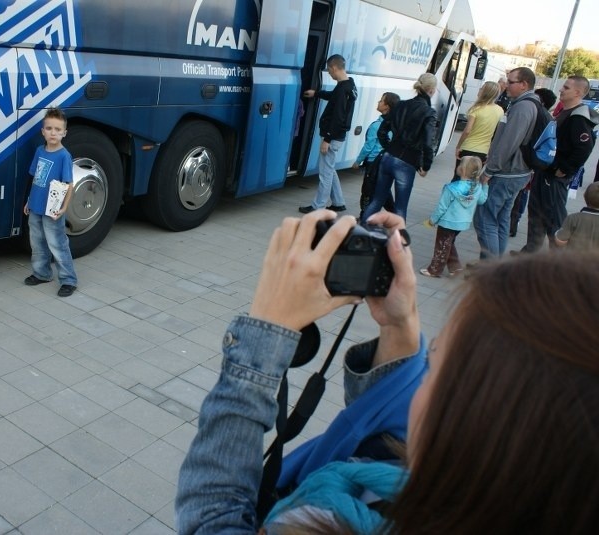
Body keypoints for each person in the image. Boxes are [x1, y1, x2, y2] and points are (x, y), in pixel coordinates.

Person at [175, 210, 599, 534]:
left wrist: (262, 342)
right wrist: (399, 322)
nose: (422, 377)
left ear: (477, 426)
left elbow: (213, 517)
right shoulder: (495, 496)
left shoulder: (331, 522)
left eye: (435, 365)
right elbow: (393, 432)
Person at [519, 76, 598, 253]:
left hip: (554, 177)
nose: (561, 90)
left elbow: (584, 148)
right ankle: (530, 253)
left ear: (578, 92)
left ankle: (558, 260)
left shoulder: (578, 118)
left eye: (566, 87)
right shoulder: (566, 112)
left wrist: (565, 169)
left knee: (553, 218)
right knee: (536, 214)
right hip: (545, 172)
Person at [472, 67, 538, 260]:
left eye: (510, 82)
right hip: (515, 173)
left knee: (485, 220)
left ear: (524, 84)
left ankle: (489, 270)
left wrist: (489, 170)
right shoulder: (527, 104)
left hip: (506, 174)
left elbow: (509, 143)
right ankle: (496, 267)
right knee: (500, 220)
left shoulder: (523, 107)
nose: (506, 85)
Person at [361, 73, 438, 222]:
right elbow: (429, 143)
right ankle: (397, 241)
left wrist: (389, 147)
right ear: (432, 90)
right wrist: (426, 165)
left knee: (376, 201)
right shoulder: (429, 112)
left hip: (388, 158)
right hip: (407, 162)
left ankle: (360, 233)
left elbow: (382, 130)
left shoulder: (401, 105)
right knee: (400, 208)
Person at [22, 107, 78, 297]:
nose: (53, 133)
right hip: (36, 206)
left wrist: (64, 207)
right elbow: (35, 177)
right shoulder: (40, 151)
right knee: (37, 242)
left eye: (57, 129)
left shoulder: (64, 156)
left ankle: (69, 279)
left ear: (64, 133)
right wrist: (29, 200)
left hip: (53, 209)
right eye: (49, 128)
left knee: (57, 243)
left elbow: (69, 184)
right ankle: (42, 273)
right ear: (43, 131)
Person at [299, 54, 357, 214]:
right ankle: (338, 202)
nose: (329, 74)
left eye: (329, 71)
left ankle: (318, 207)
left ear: (334, 68)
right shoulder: (349, 85)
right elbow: (334, 98)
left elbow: (338, 117)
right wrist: (317, 93)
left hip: (333, 137)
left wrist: (327, 139)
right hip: (339, 136)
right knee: (330, 169)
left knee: (325, 174)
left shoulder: (342, 88)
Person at [420, 156, 488, 278]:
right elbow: (482, 200)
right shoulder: (477, 188)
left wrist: (432, 220)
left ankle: (434, 270)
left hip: (447, 222)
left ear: (461, 169)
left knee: (442, 245)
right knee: (449, 242)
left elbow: (442, 207)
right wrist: (485, 185)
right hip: (462, 223)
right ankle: (455, 268)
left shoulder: (451, 188)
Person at [509, 87, 558, 237]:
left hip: (527, 164)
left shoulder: (538, 117)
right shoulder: (548, 119)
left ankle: (512, 222)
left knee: (519, 195)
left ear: (540, 101)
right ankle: (514, 223)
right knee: (522, 195)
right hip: (536, 165)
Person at [353, 92, 400, 220]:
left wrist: (358, 161)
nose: (378, 102)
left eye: (381, 100)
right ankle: (395, 215)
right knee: (383, 190)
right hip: (387, 162)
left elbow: (368, 147)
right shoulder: (396, 124)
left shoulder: (377, 125)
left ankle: (365, 216)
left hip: (374, 163)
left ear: (387, 107)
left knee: (368, 190)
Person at [451, 81, 503, 181]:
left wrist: (458, 146)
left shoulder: (476, 109)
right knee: (472, 180)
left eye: (482, 88)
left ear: (486, 92)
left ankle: (451, 196)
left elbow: (467, 130)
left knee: (458, 177)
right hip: (483, 151)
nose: (480, 90)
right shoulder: (500, 110)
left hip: (467, 148)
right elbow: (497, 134)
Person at [554, 181, 599, 250]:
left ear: (584, 196)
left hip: (574, 258)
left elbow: (560, 241)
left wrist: (557, 233)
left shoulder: (573, 218)